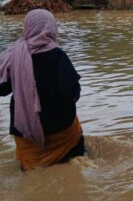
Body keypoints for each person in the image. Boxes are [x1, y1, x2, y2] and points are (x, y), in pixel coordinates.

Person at [0, 9, 85, 171]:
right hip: (60, 130)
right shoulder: (57, 55)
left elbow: (2, 89)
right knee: (76, 155)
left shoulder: (14, 56)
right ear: (51, 27)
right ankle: (76, 159)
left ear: (27, 27)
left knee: (30, 172)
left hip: (25, 132)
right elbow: (72, 92)